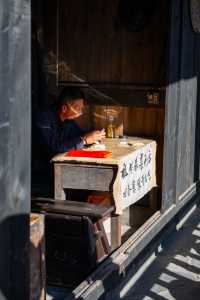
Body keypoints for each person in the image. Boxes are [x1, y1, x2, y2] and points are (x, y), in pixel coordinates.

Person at [32, 87, 105, 196]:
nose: (80, 112)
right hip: (40, 171)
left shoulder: (67, 121)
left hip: (59, 168)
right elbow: (54, 148)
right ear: (65, 108)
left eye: (81, 108)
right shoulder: (44, 117)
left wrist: (94, 136)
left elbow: (79, 134)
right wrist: (84, 140)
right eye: (77, 108)